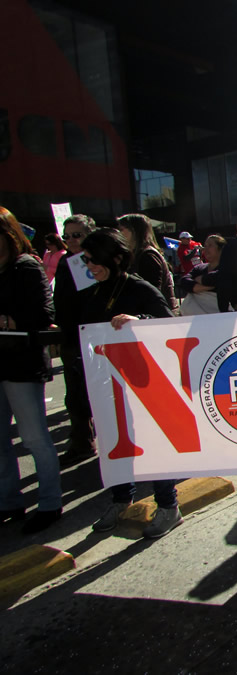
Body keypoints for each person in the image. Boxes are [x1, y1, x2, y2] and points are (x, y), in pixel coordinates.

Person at [80, 228, 182, 538]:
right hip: (108, 383)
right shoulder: (94, 291)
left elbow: (172, 327)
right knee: (114, 442)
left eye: (94, 260)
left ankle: (169, 506)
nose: (89, 266)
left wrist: (141, 322)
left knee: (152, 444)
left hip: (145, 385)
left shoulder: (141, 289)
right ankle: (121, 499)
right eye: (85, 260)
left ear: (116, 258)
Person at [0, 207, 63, 534]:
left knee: (35, 437)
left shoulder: (26, 266)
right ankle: (9, 501)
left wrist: (11, 320)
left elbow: (43, 313)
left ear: (8, 235)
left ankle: (50, 502)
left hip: (22, 364)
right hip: (3, 363)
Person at [54, 214, 98, 465]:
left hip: (91, 335)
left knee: (94, 394)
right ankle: (81, 441)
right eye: (66, 235)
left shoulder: (94, 262)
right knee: (74, 396)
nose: (71, 240)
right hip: (70, 336)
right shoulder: (64, 262)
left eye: (76, 235)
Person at [116, 214, 177, 311]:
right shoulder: (134, 254)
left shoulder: (148, 256)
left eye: (121, 230)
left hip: (155, 318)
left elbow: (151, 293)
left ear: (134, 231)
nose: (118, 234)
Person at [179, 234, 225, 315]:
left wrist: (199, 282)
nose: (206, 249)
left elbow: (223, 280)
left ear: (220, 249)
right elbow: (184, 281)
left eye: (210, 245)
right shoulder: (199, 268)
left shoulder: (226, 268)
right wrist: (206, 286)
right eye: (205, 246)